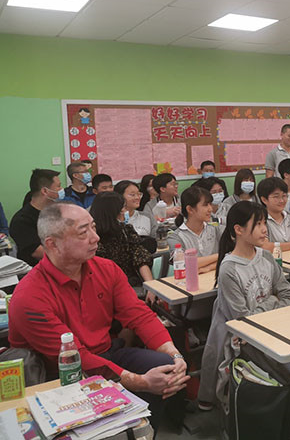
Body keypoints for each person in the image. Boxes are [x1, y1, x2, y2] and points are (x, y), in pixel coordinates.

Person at [9, 203, 189, 428]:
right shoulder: (29, 296)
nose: (95, 238)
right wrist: (140, 382)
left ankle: (144, 429)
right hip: (61, 374)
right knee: (144, 383)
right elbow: (74, 357)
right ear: (52, 244)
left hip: (106, 353)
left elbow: (139, 315)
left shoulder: (106, 269)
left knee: (167, 366)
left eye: (93, 228)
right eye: (83, 232)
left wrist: (174, 354)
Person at [198, 201, 290, 408]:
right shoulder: (229, 269)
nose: (264, 229)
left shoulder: (266, 257)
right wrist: (273, 300)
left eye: (264, 223)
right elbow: (244, 321)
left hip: (274, 328)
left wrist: (269, 308)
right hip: (242, 340)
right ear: (239, 229)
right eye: (258, 224)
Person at [90, 192, 155, 304]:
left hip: (132, 283)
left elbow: (140, 257)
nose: (125, 211)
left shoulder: (126, 230)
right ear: (112, 212)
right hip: (107, 290)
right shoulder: (93, 238)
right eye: (122, 208)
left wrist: (151, 286)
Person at [10, 169, 62, 266]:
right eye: (58, 186)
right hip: (37, 269)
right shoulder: (21, 220)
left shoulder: (57, 212)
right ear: (45, 191)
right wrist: (70, 256)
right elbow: (38, 252)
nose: (61, 189)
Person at [167, 186, 224, 274]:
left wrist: (208, 268)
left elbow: (231, 256)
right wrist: (220, 255)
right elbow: (183, 263)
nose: (210, 209)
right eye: (205, 205)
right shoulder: (175, 237)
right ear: (190, 209)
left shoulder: (216, 230)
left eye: (210, 204)